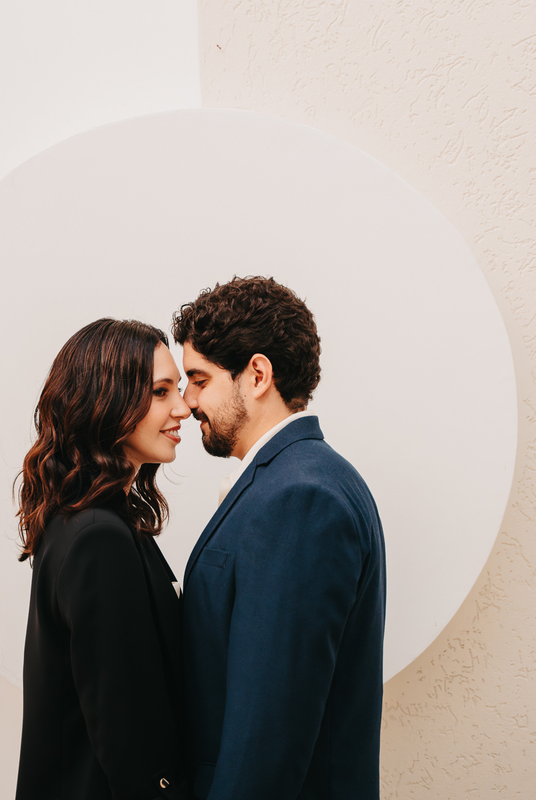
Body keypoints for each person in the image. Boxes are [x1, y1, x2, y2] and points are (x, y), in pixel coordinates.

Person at [172, 277, 386, 800]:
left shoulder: (300, 499)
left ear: (257, 375)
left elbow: (267, 735)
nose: (187, 400)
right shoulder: (304, 477)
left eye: (199, 379)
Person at [15, 318, 192, 800]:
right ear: (107, 401)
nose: (183, 408)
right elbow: (129, 735)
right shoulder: (99, 536)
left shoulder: (86, 521)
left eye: (178, 389)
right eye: (161, 392)